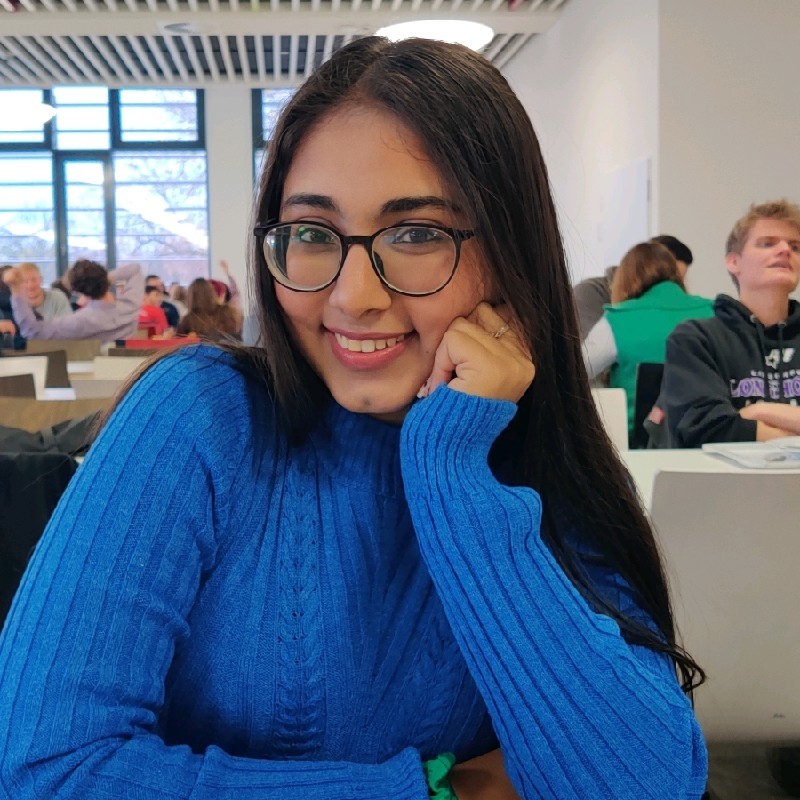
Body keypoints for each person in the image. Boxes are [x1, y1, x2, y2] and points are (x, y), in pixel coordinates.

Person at [0, 37, 707, 800]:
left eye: (417, 234)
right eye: (311, 233)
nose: (353, 296)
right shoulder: (198, 417)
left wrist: (450, 471)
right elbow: (48, 770)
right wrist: (438, 791)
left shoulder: (541, 461)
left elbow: (642, 786)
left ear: (510, 251)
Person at [657, 199, 800, 447]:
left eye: (795, 246)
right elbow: (707, 430)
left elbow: (728, 427)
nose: (785, 250)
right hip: (723, 473)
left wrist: (759, 411)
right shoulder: (694, 339)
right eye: (767, 243)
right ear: (734, 262)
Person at [583, 241, 713, 437]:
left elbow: (576, 371)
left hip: (639, 442)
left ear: (626, 279)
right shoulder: (714, 311)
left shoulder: (618, 319)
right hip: (707, 437)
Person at [573, 235, 694, 341]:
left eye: (677, 282)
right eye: (667, 279)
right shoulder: (589, 293)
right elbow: (597, 351)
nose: (672, 289)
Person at [4, 259, 143, 343]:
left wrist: (15, 290)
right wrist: (103, 279)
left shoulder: (81, 321)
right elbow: (135, 270)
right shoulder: (130, 305)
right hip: (132, 375)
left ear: (79, 292)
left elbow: (32, 332)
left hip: (93, 377)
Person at [177, 276, 242, 341]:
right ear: (212, 292)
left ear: (191, 297)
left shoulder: (188, 321)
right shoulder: (230, 312)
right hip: (231, 346)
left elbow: (180, 342)